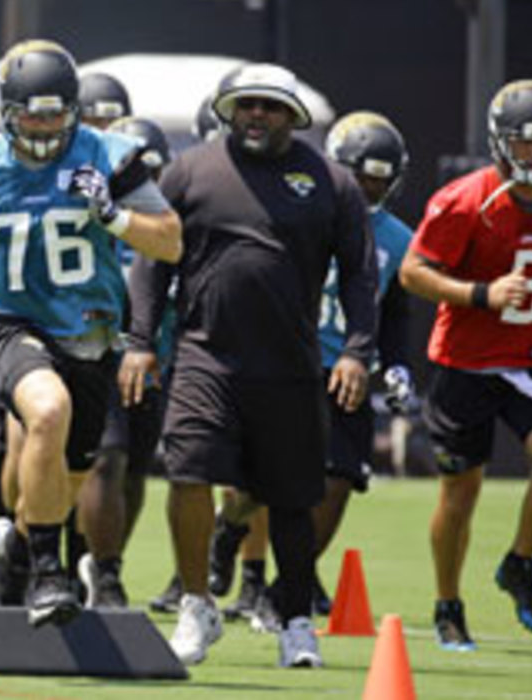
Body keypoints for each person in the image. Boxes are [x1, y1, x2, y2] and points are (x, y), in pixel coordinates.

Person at [0, 39, 182, 627]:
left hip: (88, 331)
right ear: (6, 111)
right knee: (47, 411)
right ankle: (47, 572)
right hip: (4, 320)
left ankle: (13, 549)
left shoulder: (111, 155)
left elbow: (170, 239)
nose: (43, 123)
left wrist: (113, 215)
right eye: (31, 111)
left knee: (71, 472)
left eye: (55, 111)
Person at [122, 63, 377, 668]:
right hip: (204, 358)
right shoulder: (190, 170)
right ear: (227, 110)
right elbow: (153, 262)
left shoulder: (331, 182)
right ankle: (196, 603)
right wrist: (139, 342)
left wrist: (357, 352)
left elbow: (362, 276)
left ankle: (293, 620)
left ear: (292, 115)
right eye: (246, 105)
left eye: (269, 106)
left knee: (290, 499)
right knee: (188, 476)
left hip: (291, 366)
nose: (256, 115)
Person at [398, 79, 532, 650]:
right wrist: (481, 294)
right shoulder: (463, 201)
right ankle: (447, 604)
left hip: (528, 358)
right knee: (461, 493)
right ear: (501, 143)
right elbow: (414, 272)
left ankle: (520, 563)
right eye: (524, 143)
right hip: (464, 362)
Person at [213, 111, 418, 626]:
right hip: (285, 363)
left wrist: (396, 366)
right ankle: (228, 528)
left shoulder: (397, 235)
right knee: (254, 487)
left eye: (379, 181)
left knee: (339, 481)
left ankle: (282, 594)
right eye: (361, 177)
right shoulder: (299, 207)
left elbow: (392, 309)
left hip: (346, 373)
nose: (369, 189)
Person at [76, 116, 174, 609]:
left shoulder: (170, 219)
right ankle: (102, 571)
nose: (147, 183)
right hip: (102, 345)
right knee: (105, 458)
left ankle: (105, 562)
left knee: (135, 467)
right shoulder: (89, 210)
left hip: (157, 355)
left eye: (154, 172)